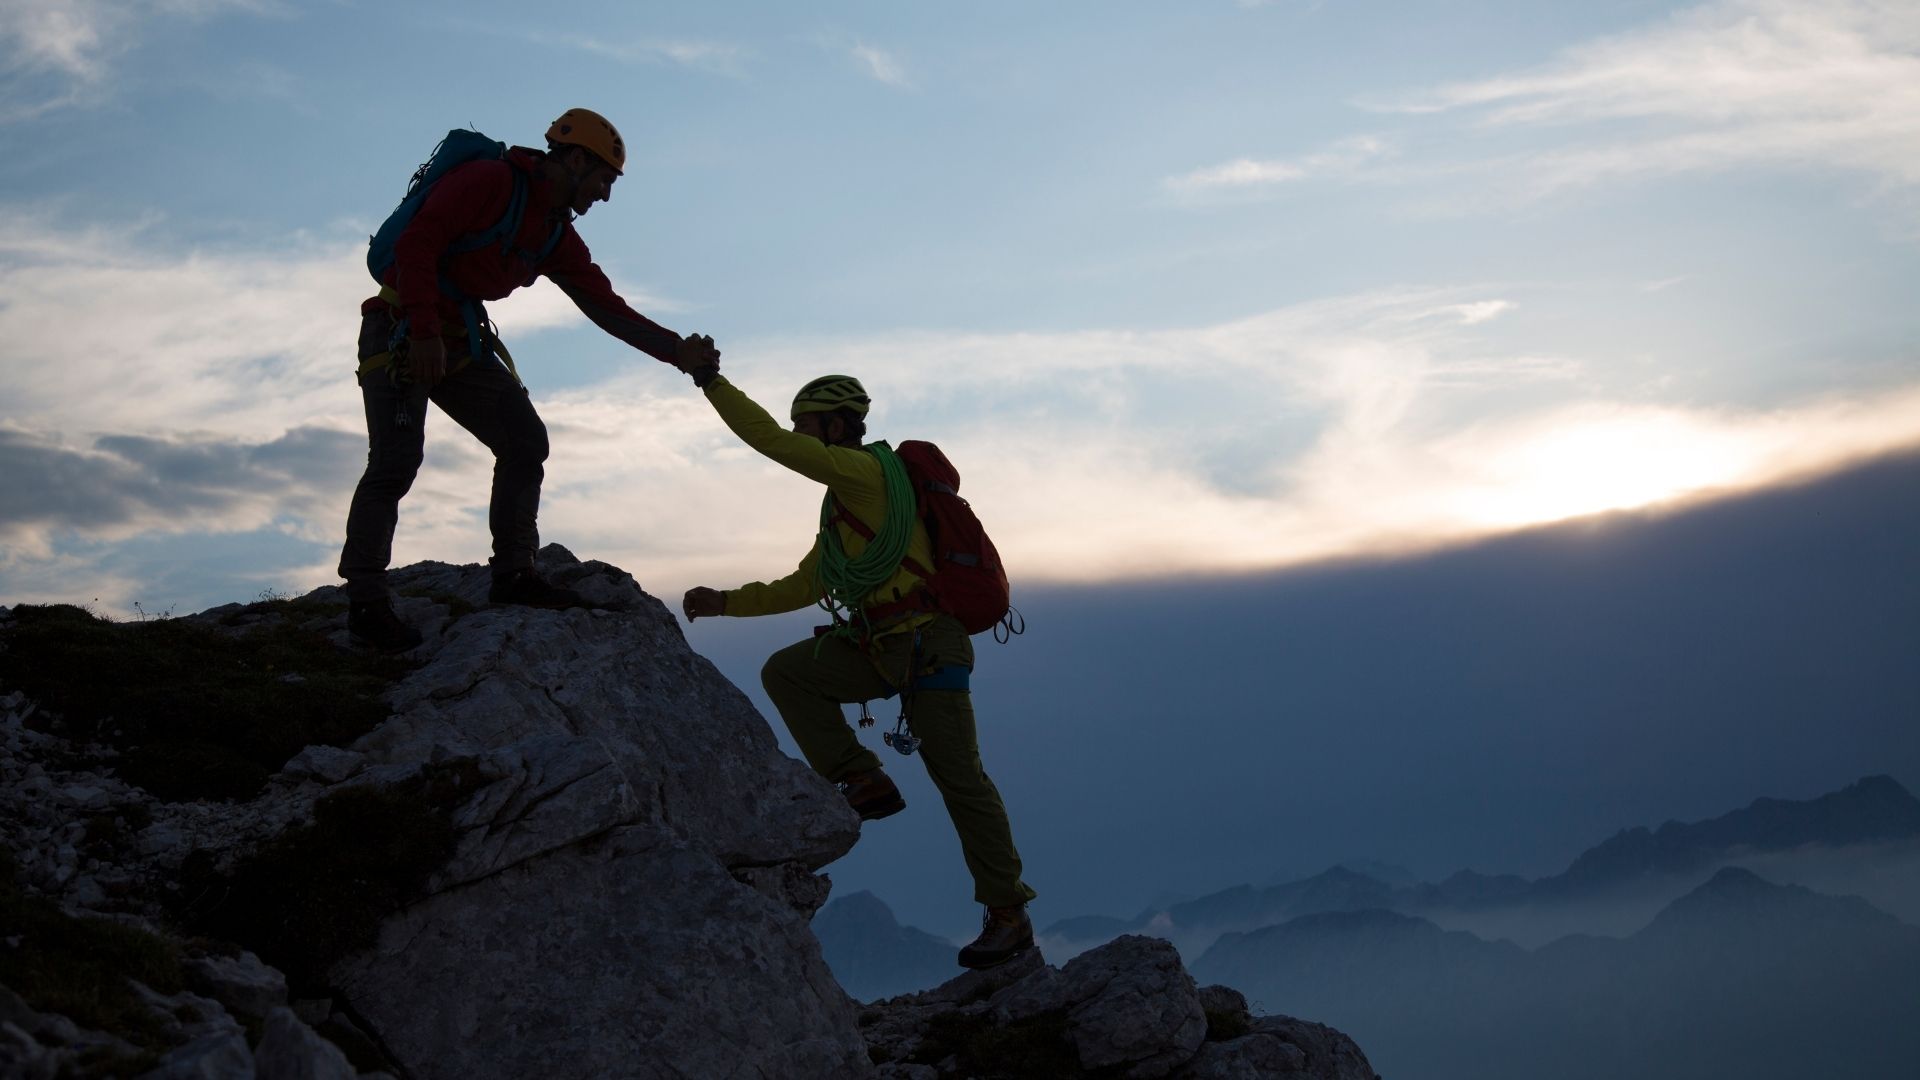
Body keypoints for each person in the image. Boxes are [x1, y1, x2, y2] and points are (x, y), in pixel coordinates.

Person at [675, 361, 1038, 970]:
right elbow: (806, 582)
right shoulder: (845, 510)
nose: (801, 434)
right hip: (881, 644)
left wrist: (711, 382)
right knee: (787, 671)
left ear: (839, 426)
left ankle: (1009, 913)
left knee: (961, 781)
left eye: (809, 424)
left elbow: (769, 442)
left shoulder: (867, 472)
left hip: (929, 643)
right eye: (799, 425)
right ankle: (863, 778)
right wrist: (727, 604)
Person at [341, 108, 718, 651]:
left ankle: (515, 576)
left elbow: (606, 307)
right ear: (575, 159)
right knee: (396, 460)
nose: (606, 196)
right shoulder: (491, 181)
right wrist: (422, 331)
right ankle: (366, 603)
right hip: (400, 328)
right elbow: (416, 244)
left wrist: (678, 352)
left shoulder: (553, 233)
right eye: (604, 179)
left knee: (525, 441)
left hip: (456, 342)